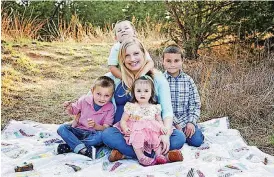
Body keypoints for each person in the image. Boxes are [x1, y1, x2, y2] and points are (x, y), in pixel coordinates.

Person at [102, 38, 185, 166]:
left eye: (136, 54)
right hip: (125, 132)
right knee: (107, 135)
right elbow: (95, 94)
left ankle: (127, 154)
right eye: (127, 55)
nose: (132, 59)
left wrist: (166, 134)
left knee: (179, 137)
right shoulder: (115, 77)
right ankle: (158, 155)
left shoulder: (157, 78)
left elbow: (167, 111)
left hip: (153, 131)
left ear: (143, 54)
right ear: (122, 59)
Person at [56, 76, 115, 158]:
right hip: (78, 130)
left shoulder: (110, 108)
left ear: (111, 95)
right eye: (98, 94)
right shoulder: (84, 100)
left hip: (93, 134)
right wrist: (69, 107)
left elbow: (105, 128)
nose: (102, 98)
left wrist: (95, 126)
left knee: (102, 137)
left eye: (106, 95)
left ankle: (72, 146)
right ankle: (83, 149)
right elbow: (74, 110)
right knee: (62, 128)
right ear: (92, 91)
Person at [115, 76, 168, 166]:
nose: (142, 94)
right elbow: (123, 120)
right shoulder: (131, 106)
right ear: (134, 92)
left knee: (157, 138)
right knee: (137, 137)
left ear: (151, 93)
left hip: (151, 129)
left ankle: (158, 155)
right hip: (136, 128)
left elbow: (159, 119)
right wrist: (125, 128)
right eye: (139, 91)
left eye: (146, 91)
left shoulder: (155, 107)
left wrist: (162, 126)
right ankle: (141, 157)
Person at [162, 45, 204, 147]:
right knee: (176, 141)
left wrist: (191, 122)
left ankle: (186, 136)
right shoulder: (161, 80)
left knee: (197, 141)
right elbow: (161, 106)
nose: (172, 64)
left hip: (186, 121)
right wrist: (176, 124)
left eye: (176, 61)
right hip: (168, 123)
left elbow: (195, 103)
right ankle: (178, 139)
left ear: (182, 61)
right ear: (163, 61)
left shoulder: (188, 80)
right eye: (168, 61)